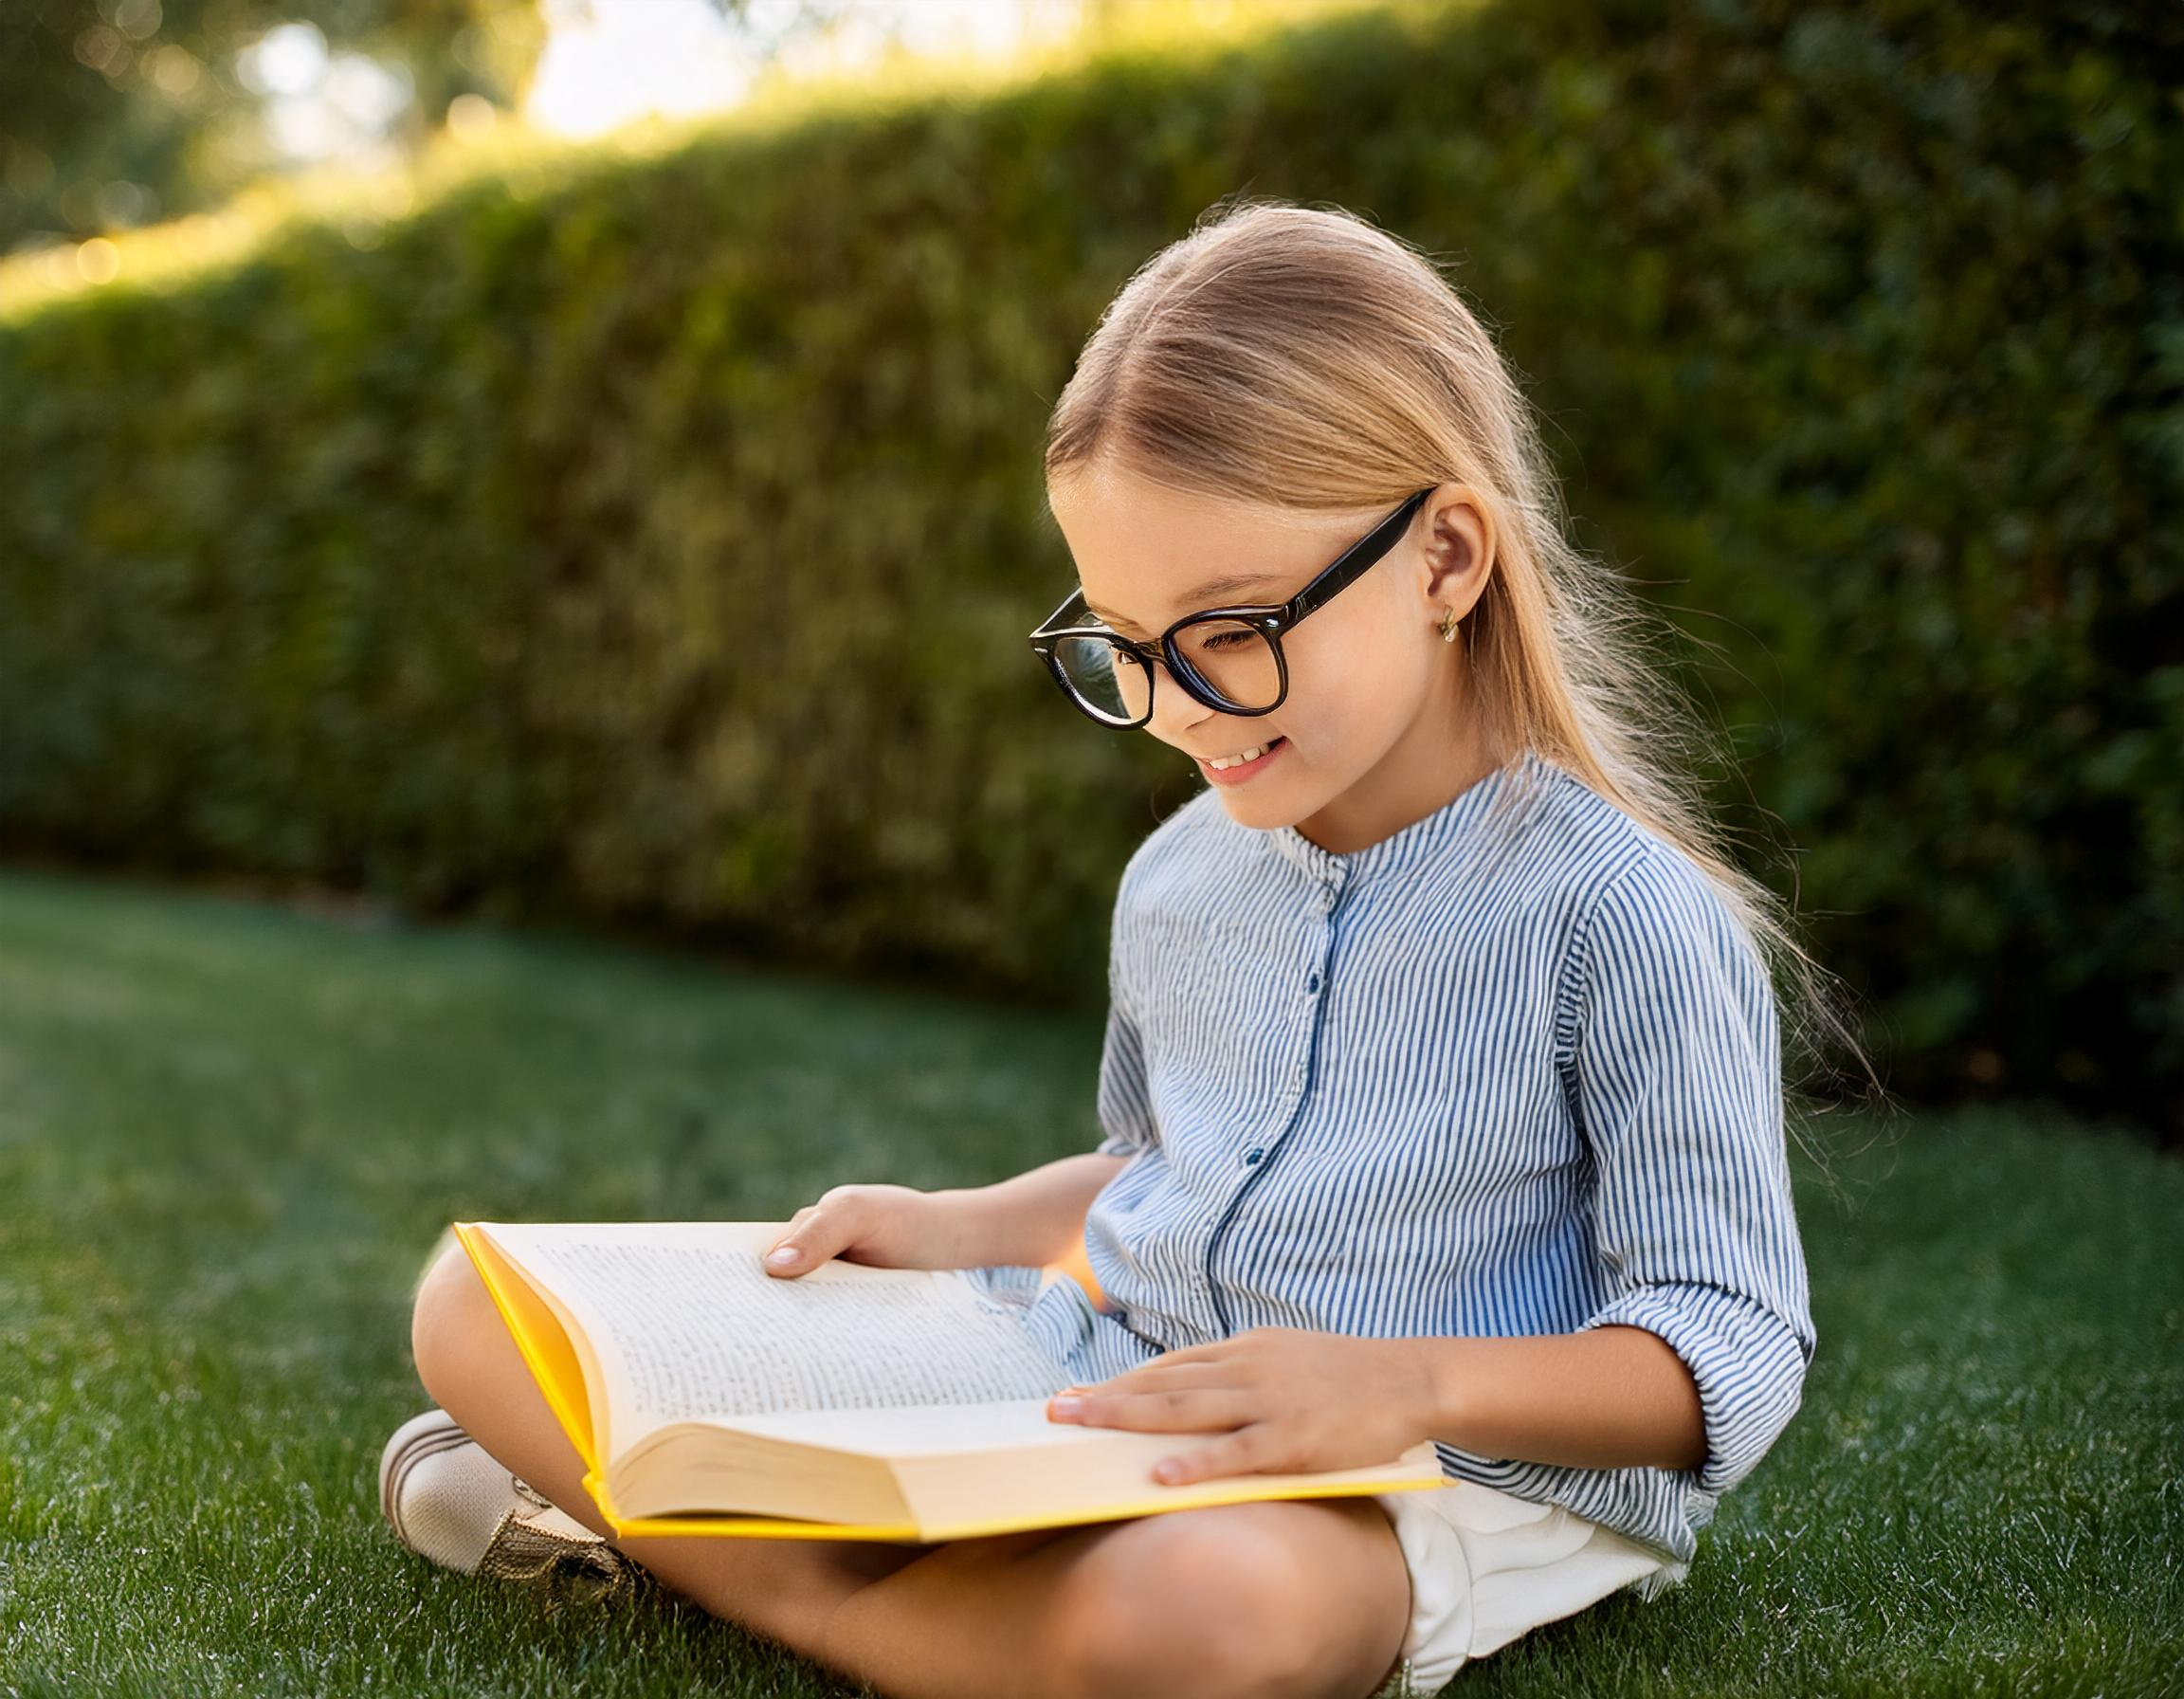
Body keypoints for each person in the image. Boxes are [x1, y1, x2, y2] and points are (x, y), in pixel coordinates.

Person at [388, 197, 1877, 1699]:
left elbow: (1727, 1342)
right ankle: (885, 1596)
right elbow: (1169, 1170)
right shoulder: (1183, 874)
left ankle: (739, 1580)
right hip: (1102, 1383)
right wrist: (964, 1225)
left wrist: (1402, 1384)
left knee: (1190, 1621)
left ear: (1444, 558)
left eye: (1230, 632)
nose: (1173, 709)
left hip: (1434, 1475)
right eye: (1121, 645)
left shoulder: (1620, 913)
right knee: (478, 1307)